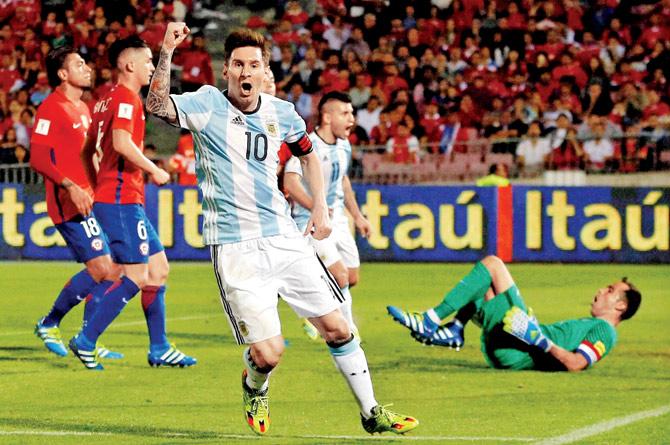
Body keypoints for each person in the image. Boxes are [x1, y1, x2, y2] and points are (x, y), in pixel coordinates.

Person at [146, 24, 418, 436]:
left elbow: (309, 156)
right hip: (235, 247)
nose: (245, 72)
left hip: (284, 239)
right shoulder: (206, 105)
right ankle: (254, 385)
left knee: (338, 327)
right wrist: (166, 50)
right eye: (237, 64)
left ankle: (371, 411)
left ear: (263, 69)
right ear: (226, 71)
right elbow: (157, 105)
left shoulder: (282, 112)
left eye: (253, 64)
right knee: (269, 354)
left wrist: (322, 209)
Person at [71, 36, 197, 371]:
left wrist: (97, 186)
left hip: (117, 196)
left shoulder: (103, 100)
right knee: (137, 274)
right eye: (147, 62)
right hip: (122, 198)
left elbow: (86, 151)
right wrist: (154, 168)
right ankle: (86, 340)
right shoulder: (127, 97)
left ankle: (160, 347)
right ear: (129, 65)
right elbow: (121, 142)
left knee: (158, 270)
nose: (151, 68)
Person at [387, 255, 641, 372]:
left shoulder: (605, 331)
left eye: (610, 290)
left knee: (493, 265)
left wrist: (540, 340)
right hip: (515, 343)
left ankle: (430, 320)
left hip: (521, 347)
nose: (601, 290)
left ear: (621, 306)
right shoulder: (592, 324)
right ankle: (454, 329)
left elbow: (576, 364)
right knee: (483, 285)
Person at [29, 46, 123, 361]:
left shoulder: (85, 108)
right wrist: (71, 187)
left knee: (113, 270)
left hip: (91, 198)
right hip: (68, 202)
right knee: (101, 267)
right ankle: (49, 323)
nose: (87, 68)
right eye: (79, 64)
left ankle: (87, 339)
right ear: (62, 73)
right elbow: (38, 158)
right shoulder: (50, 109)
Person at [284, 91, 372, 340]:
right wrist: (316, 207)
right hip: (310, 221)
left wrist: (358, 216)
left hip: (339, 221)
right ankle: (347, 332)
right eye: (345, 113)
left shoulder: (344, 145)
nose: (352, 119)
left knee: (351, 277)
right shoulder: (306, 145)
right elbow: (291, 181)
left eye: (352, 113)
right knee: (340, 275)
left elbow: (343, 181)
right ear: (326, 117)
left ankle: (314, 311)